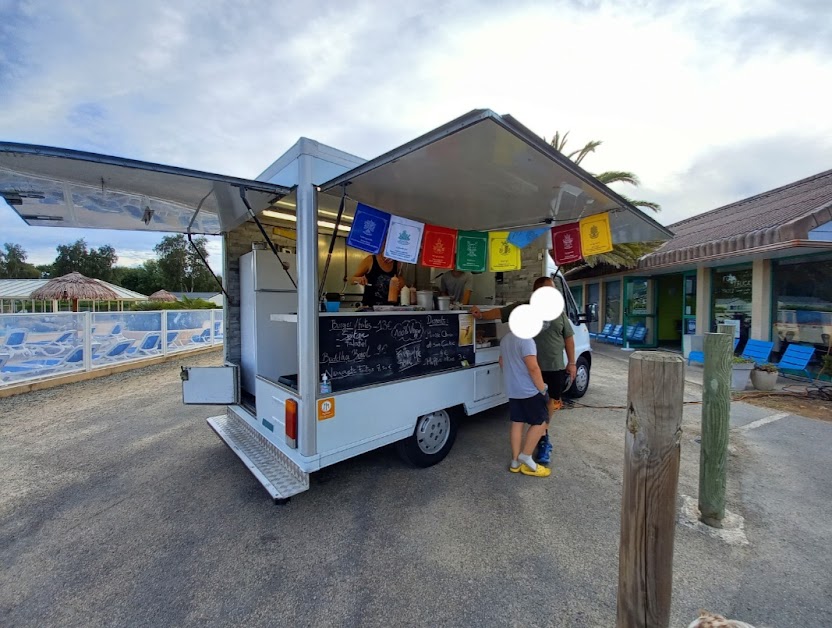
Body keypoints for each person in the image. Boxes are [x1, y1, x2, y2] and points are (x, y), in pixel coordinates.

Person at [471, 276, 576, 466]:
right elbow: (500, 312)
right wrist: (481, 315)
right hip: (529, 369)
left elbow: (568, 338)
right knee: (532, 407)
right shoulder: (522, 308)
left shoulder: (558, 312)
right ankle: (535, 438)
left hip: (554, 366)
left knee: (551, 402)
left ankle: (542, 437)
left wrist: (572, 363)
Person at [498, 329, 551, 477]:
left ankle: (515, 462)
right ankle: (526, 456)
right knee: (541, 422)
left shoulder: (505, 338)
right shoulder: (526, 340)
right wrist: (542, 389)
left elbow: (501, 361)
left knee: (517, 422)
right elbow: (533, 368)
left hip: (512, 389)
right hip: (529, 390)